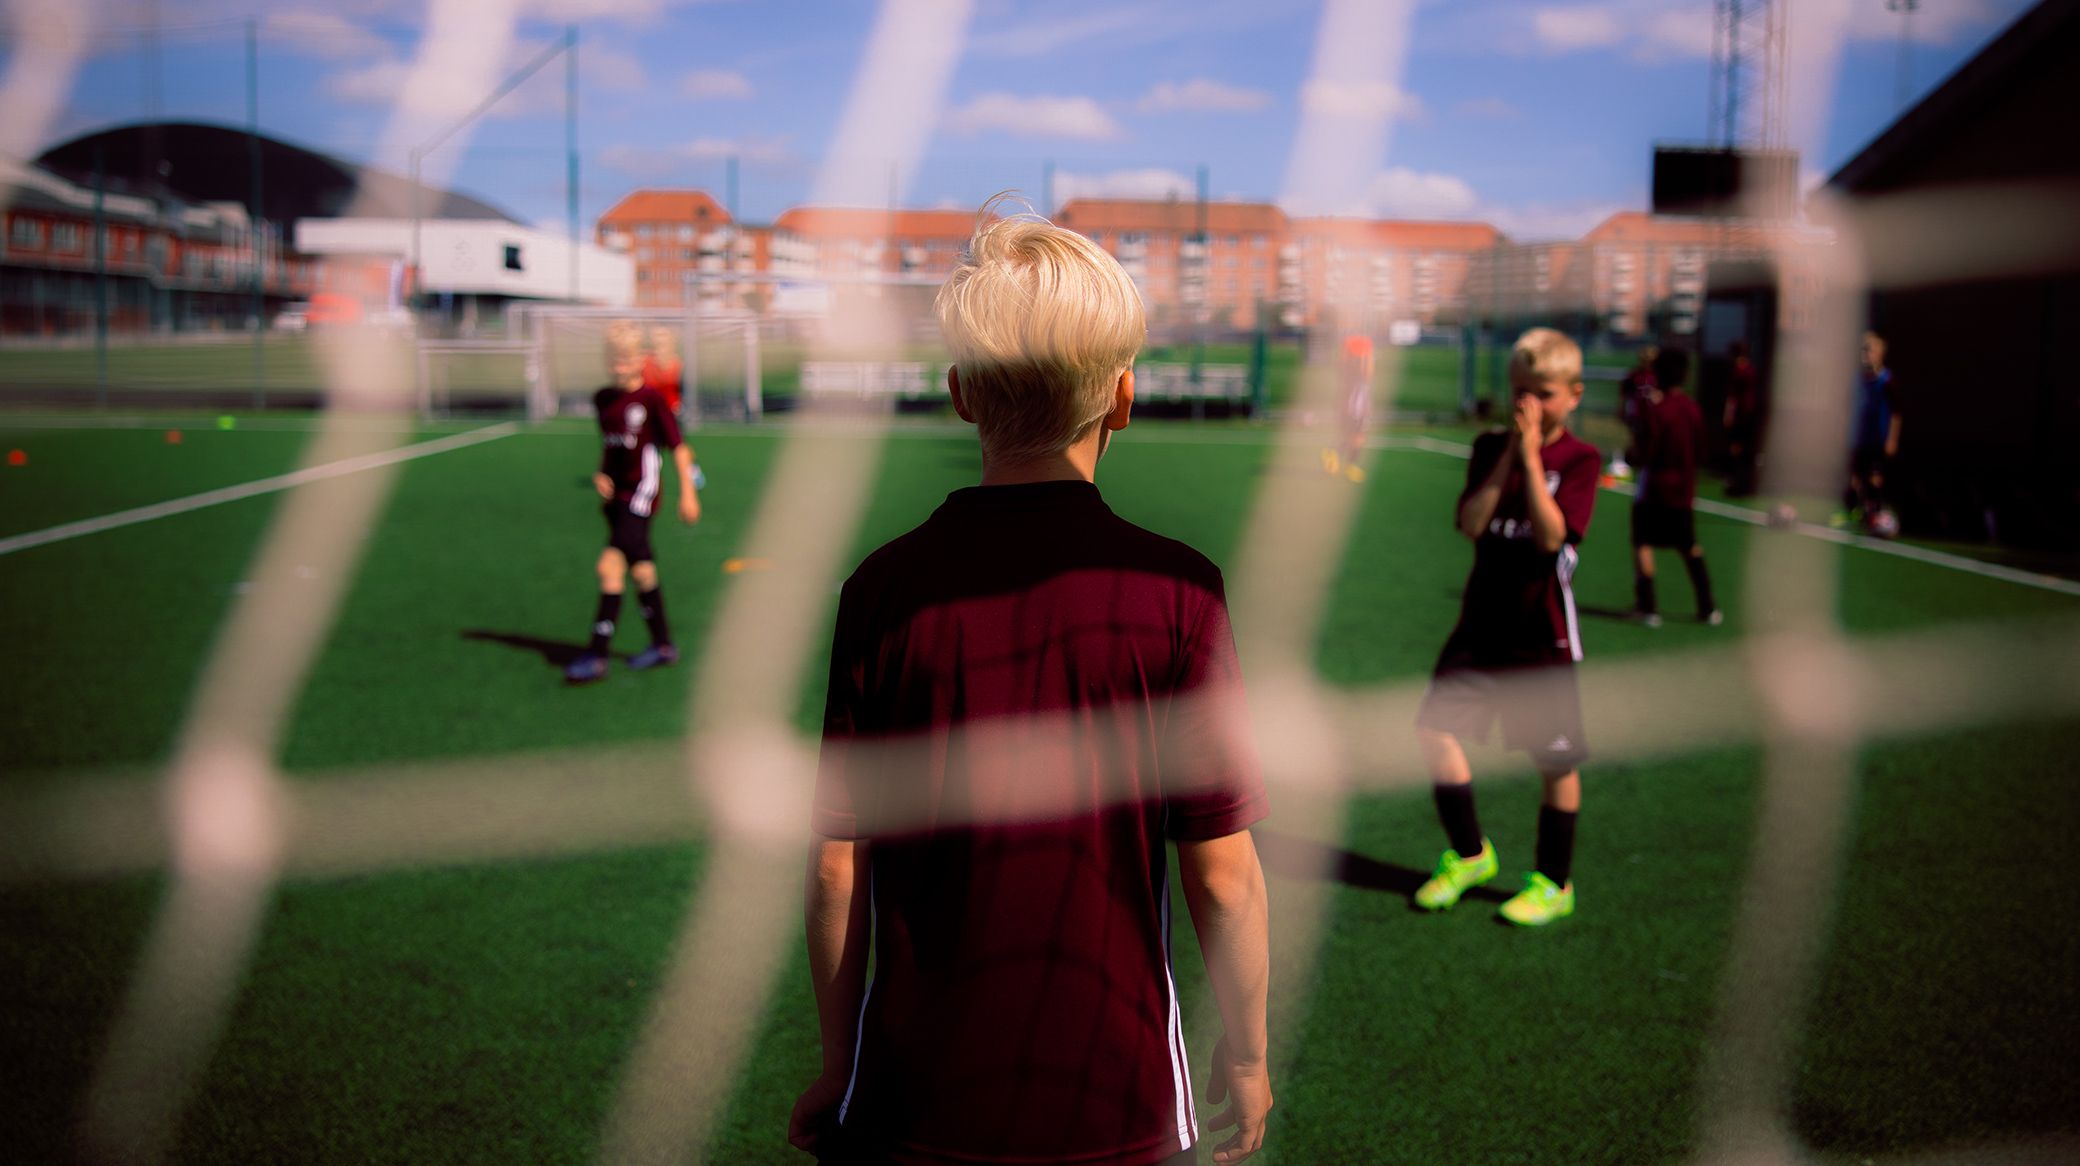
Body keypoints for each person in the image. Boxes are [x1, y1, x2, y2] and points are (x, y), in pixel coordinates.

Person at [791, 205, 1273, 1166]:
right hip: (1115, 1095)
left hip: (911, 1097)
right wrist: (1250, 1054)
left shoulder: (882, 589)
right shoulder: (1178, 593)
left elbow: (837, 864)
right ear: (1124, 397)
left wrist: (840, 1061)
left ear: (962, 393)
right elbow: (1223, 872)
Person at [1411, 326, 1601, 927]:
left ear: (1572, 395)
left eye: (1543, 393)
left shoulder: (1580, 460)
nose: (1529, 404)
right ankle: (1470, 855)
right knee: (1434, 730)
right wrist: (1506, 460)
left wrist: (1533, 457)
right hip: (1480, 627)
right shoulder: (1488, 446)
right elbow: (1470, 523)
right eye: (1521, 390)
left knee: (1555, 763)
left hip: (1541, 634)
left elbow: (1552, 540)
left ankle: (1553, 881)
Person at [565, 323, 701, 684]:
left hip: (641, 494)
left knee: (610, 567)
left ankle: (597, 655)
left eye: (626, 358)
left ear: (642, 359)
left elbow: (679, 447)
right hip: (616, 496)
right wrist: (600, 474)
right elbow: (608, 446)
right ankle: (663, 644)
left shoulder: (652, 400)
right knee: (640, 571)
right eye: (613, 358)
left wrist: (688, 493)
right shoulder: (603, 399)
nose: (619, 365)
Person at [1629, 347, 1719, 627]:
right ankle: (1707, 607)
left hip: (1655, 488)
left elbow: (1647, 450)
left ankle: (1649, 608)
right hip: (1682, 493)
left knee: (1642, 543)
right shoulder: (1692, 409)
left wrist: (1635, 454)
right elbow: (1703, 449)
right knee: (1690, 545)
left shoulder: (1659, 411)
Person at [1835, 331, 1902, 530]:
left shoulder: (1887, 380)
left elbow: (1896, 413)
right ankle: (1853, 511)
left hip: (1878, 438)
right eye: (1863, 351)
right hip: (1859, 437)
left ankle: (1875, 514)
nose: (1866, 355)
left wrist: (1892, 439)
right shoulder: (1858, 379)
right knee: (1854, 477)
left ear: (1880, 353)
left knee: (1875, 479)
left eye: (1870, 351)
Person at [1322, 332, 1374, 483]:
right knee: (1356, 436)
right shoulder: (1354, 361)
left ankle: (1336, 456)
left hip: (1357, 402)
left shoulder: (1352, 354)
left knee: (1355, 437)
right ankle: (1344, 461)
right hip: (1354, 405)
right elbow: (1366, 373)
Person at [1611, 343, 1658, 481]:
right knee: (1637, 438)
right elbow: (1624, 394)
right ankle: (1636, 463)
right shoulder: (1634, 375)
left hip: (1652, 414)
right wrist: (1621, 409)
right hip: (1638, 413)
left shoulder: (1656, 376)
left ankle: (1648, 463)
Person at [1721, 339, 1761, 496]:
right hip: (1750, 415)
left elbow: (1733, 397)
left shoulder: (1739, 370)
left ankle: (1737, 482)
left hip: (1742, 416)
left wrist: (1728, 414)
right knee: (1745, 449)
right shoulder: (1750, 369)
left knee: (1737, 449)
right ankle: (1744, 482)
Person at [643, 325, 685, 417]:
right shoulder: (644, 362)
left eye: (662, 335)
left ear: (672, 338)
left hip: (673, 412)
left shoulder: (679, 365)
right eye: (655, 335)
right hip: (648, 411)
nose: (658, 339)